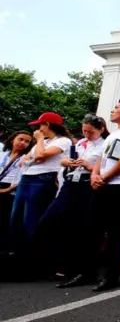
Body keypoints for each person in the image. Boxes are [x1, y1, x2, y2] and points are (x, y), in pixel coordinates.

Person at [62, 99, 120, 291]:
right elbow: (103, 157)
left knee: (116, 233)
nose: (113, 110)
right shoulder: (113, 134)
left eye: (117, 107)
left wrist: (104, 177)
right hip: (102, 185)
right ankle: (87, 273)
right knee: (91, 230)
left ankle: (111, 276)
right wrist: (94, 174)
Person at [37, 115, 108, 283]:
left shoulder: (105, 144)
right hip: (70, 183)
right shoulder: (80, 143)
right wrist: (66, 162)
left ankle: (72, 267)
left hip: (87, 185)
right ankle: (50, 263)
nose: (87, 134)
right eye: (84, 131)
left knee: (79, 227)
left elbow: (106, 168)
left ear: (101, 130)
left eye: (90, 131)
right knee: (50, 221)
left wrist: (88, 166)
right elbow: (63, 160)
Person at [11, 112, 72, 264]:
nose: (38, 129)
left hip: (43, 178)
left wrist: (39, 141)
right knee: (15, 217)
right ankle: (17, 253)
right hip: (26, 178)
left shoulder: (63, 141)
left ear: (48, 125)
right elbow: (23, 160)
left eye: (40, 125)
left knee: (31, 218)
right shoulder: (43, 141)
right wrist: (36, 152)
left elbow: (40, 156)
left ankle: (33, 257)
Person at [0, 131, 34, 252]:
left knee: (5, 219)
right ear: (12, 140)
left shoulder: (26, 158)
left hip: (11, 189)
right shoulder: (3, 154)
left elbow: (24, 176)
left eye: (27, 141)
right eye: (21, 139)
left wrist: (8, 189)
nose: (23, 143)